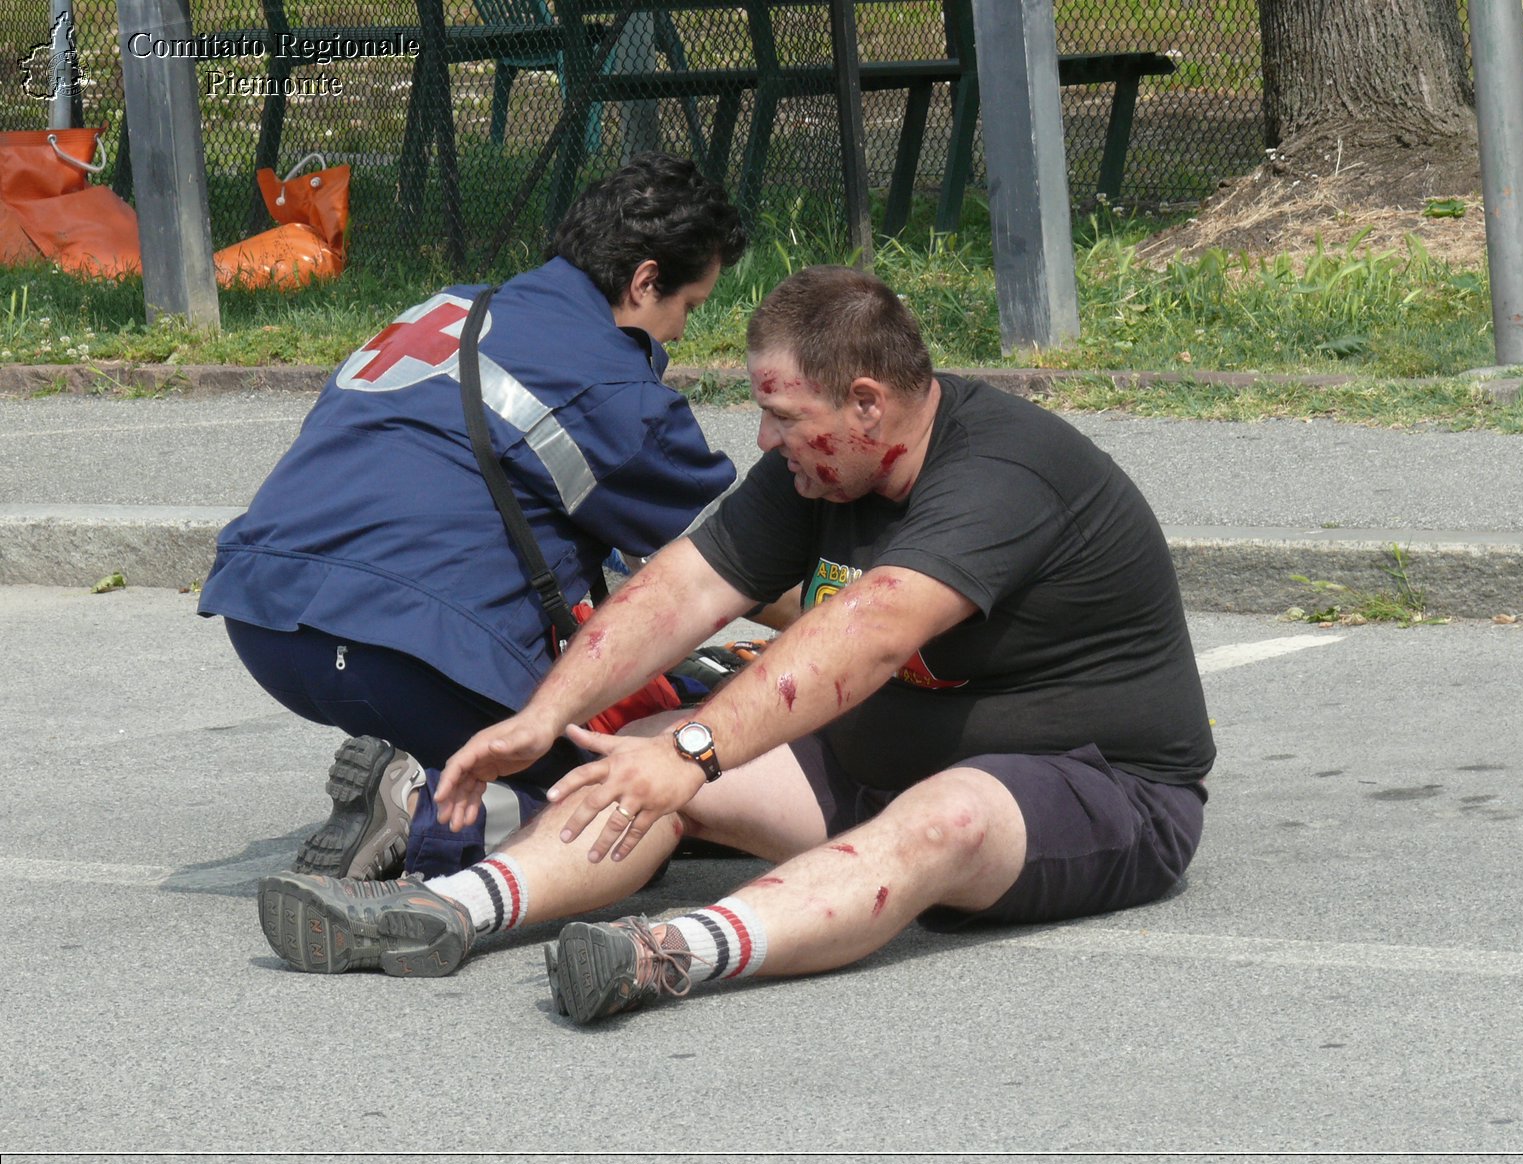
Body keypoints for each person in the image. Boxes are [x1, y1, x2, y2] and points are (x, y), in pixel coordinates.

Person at [254, 266, 1215, 1021]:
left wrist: (698, 752)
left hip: (1100, 789)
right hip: (882, 764)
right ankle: (444, 912)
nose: (762, 439)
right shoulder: (821, 471)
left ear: (869, 404)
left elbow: (870, 628)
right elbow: (682, 585)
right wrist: (543, 716)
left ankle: (669, 954)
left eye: (784, 416)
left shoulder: (1003, 469)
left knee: (940, 815)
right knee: (635, 766)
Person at [201, 153, 747, 881]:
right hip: (406, 650)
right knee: (621, 807)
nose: (679, 332)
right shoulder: (609, 384)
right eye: (689, 306)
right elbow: (730, 560)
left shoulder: (449, 308)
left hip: (266, 618)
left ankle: (415, 764)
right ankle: (432, 801)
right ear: (646, 280)